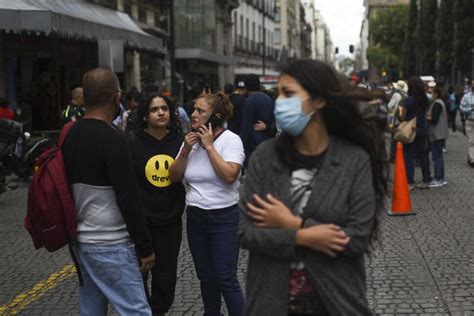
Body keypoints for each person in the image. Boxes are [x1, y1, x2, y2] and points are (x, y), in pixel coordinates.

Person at [238, 59, 387, 315]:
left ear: (319, 100)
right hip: (271, 302)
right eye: (279, 94)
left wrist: (293, 223)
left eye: (289, 94)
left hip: (336, 302)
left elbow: (357, 239)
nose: (280, 102)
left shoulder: (354, 160)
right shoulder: (265, 156)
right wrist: (305, 236)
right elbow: (245, 232)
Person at [62, 68, 154, 315]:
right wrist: (144, 247)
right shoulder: (115, 139)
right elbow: (128, 198)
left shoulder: (70, 135)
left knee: (91, 309)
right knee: (136, 310)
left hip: (82, 241)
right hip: (112, 241)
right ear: (117, 97)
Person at [169, 92, 245, 316]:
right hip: (196, 218)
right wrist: (184, 150)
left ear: (216, 116)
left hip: (224, 219)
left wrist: (210, 147)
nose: (193, 115)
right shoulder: (190, 141)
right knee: (206, 277)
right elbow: (173, 176)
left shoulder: (231, 140)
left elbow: (229, 176)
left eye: (200, 111)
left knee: (225, 277)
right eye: (194, 109)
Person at [131, 93, 185, 315]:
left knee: (166, 279)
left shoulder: (180, 141)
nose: (161, 113)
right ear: (145, 115)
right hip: (142, 221)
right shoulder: (132, 141)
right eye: (154, 110)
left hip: (170, 220)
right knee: (139, 277)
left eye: (164, 108)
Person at [399, 76, 432, 190]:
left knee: (409, 156)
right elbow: (426, 114)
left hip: (410, 131)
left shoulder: (407, 100)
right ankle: (426, 180)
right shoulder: (425, 99)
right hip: (422, 129)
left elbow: (402, 116)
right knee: (423, 155)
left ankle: (410, 182)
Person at [239, 74, 275, 162]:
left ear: (246, 86)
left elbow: (246, 125)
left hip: (254, 144)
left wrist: (241, 144)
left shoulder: (249, 101)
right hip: (268, 141)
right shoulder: (268, 98)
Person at [426, 86, 448, 187]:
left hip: (436, 134)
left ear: (436, 93)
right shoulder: (439, 102)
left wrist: (426, 118)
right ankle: (441, 178)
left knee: (436, 157)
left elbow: (434, 119)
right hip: (439, 134)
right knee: (438, 156)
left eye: (431, 92)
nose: (430, 94)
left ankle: (438, 178)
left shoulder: (437, 104)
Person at [460, 80, 474, 167]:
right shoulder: (466, 96)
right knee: (472, 140)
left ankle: (470, 157)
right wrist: (470, 109)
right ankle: (473, 160)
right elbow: (462, 107)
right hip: (470, 121)